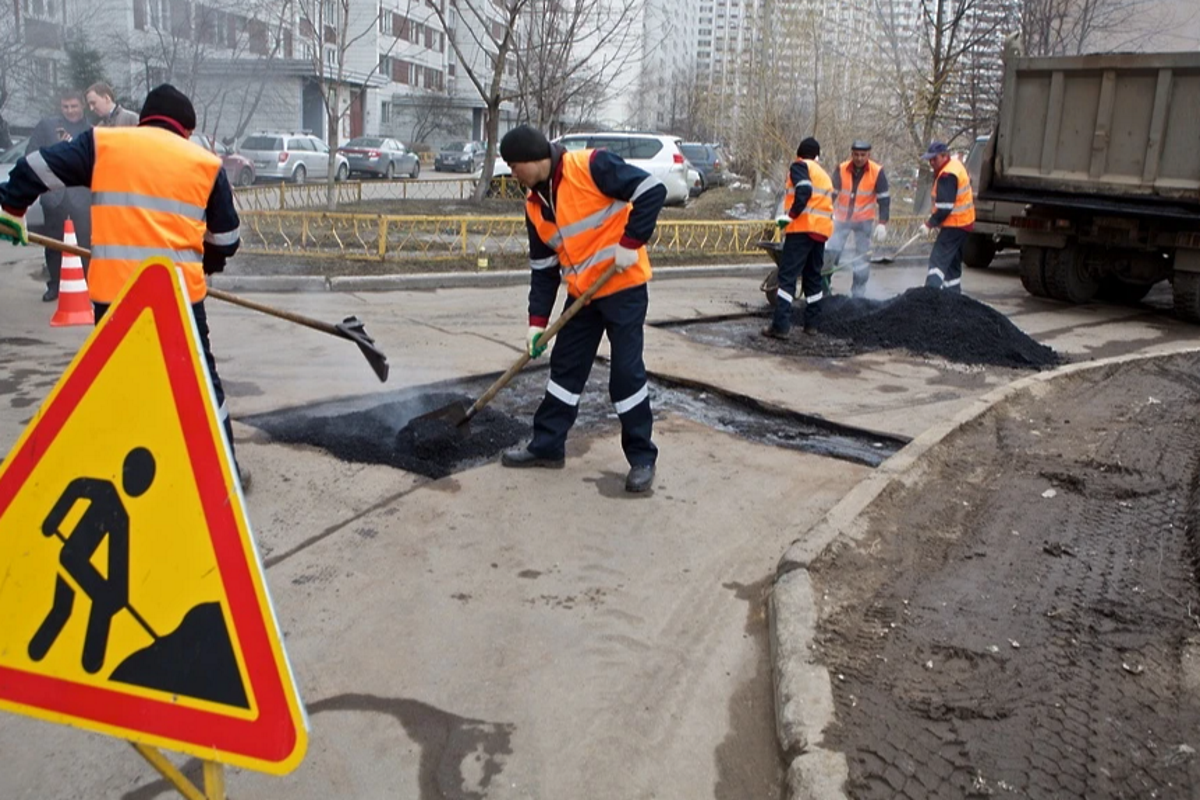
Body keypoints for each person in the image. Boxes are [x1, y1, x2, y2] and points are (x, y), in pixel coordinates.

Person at [0, 84, 249, 488]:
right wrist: (209, 264)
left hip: (114, 298)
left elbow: (35, 168)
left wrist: (11, 206)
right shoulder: (204, 163)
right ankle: (226, 476)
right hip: (179, 300)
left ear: (146, 117)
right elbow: (226, 240)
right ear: (186, 129)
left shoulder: (104, 145)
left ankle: (120, 477)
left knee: (120, 385)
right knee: (202, 387)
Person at [496, 124, 666, 494]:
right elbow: (543, 271)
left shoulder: (590, 166)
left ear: (533, 160)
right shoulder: (534, 206)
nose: (512, 174)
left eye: (514, 165)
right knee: (565, 370)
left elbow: (652, 190)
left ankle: (641, 459)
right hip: (583, 296)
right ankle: (547, 446)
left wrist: (630, 241)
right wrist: (536, 324)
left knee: (625, 374)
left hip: (623, 286)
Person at [762, 137, 834, 339]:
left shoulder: (800, 166)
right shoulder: (824, 174)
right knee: (813, 279)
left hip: (801, 230)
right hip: (820, 233)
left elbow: (803, 191)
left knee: (787, 278)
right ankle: (812, 325)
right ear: (817, 155)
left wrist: (789, 216)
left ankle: (781, 326)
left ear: (799, 153)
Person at [26, 89, 92, 302]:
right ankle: (54, 285)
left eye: (74, 106)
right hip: (54, 196)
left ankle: (87, 285)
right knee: (53, 242)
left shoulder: (90, 130)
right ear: (60, 106)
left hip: (81, 196)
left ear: (82, 106)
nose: (70, 111)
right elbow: (31, 154)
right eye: (66, 107)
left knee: (84, 242)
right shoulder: (47, 127)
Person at [827, 140, 890, 297]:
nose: (859, 158)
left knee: (862, 256)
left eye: (863, 155)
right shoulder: (841, 169)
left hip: (863, 221)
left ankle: (858, 292)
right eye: (856, 154)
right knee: (832, 252)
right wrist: (826, 214)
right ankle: (824, 287)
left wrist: (882, 223)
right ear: (851, 154)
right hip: (841, 220)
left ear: (868, 155)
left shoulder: (877, 172)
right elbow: (831, 195)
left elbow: (884, 199)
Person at [919, 141, 975, 293]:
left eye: (934, 159)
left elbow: (945, 207)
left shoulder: (947, 174)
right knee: (952, 265)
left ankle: (929, 297)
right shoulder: (956, 166)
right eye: (929, 159)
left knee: (937, 261)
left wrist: (929, 224)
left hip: (955, 225)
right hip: (964, 223)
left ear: (944, 156)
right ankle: (954, 298)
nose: (931, 162)